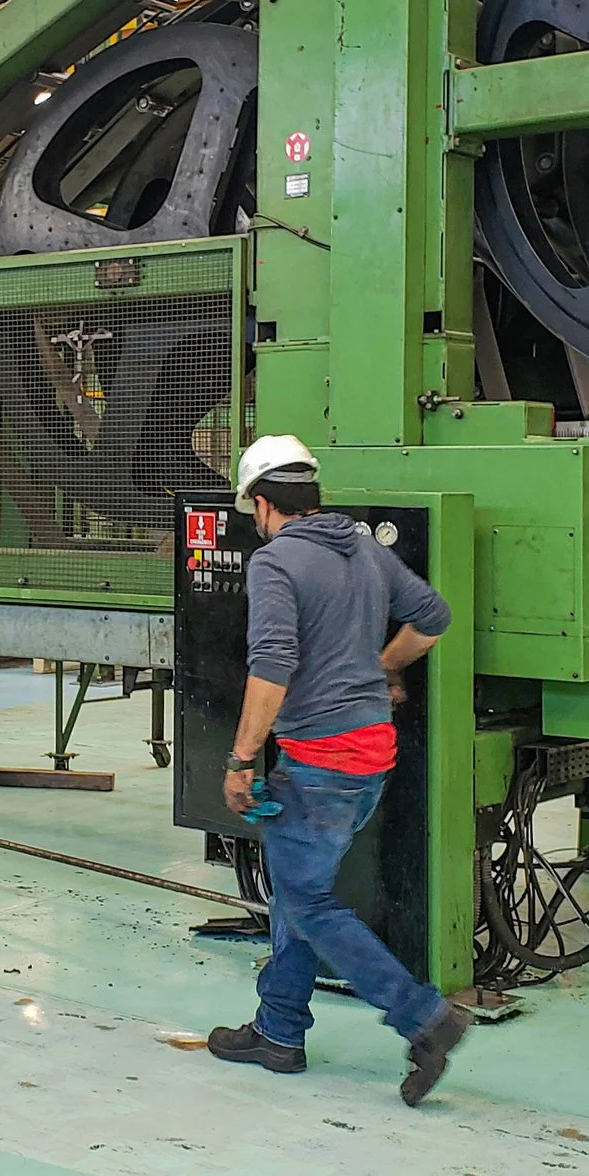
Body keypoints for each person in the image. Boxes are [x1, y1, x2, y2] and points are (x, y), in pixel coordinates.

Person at [207, 434, 470, 1106]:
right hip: (370, 760)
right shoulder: (366, 551)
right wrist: (385, 666)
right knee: (299, 890)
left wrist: (240, 758)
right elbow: (433, 618)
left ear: (263, 504)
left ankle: (423, 1018)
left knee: (312, 902)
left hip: (319, 762)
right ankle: (279, 1030)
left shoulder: (276, 563)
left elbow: (270, 666)